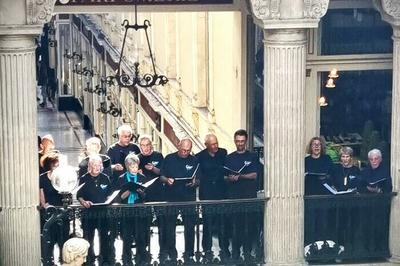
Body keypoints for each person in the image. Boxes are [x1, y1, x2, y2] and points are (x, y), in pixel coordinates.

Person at [160, 138, 199, 263]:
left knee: (190, 226)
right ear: (178, 146)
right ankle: (171, 251)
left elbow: (199, 179)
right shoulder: (169, 158)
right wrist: (167, 180)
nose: (185, 153)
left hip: (188, 197)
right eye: (183, 150)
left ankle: (189, 252)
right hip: (171, 197)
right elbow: (161, 176)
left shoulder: (194, 160)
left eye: (188, 150)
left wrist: (194, 183)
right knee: (170, 226)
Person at [224, 129, 259, 262]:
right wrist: (230, 178)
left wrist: (240, 176)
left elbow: (255, 175)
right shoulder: (229, 157)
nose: (240, 144)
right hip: (234, 196)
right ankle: (236, 253)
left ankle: (248, 252)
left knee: (249, 226)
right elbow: (225, 176)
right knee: (235, 226)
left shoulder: (252, 156)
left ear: (246, 141)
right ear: (235, 141)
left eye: (242, 141)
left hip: (249, 195)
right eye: (238, 141)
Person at [195, 133, 229, 262]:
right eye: (213, 144)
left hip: (221, 192)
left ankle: (224, 249)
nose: (215, 146)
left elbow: (226, 169)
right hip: (207, 194)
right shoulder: (199, 157)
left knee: (222, 223)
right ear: (206, 145)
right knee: (208, 223)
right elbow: (198, 174)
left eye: (216, 143)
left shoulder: (223, 153)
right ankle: (207, 250)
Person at [77, 155, 114, 265]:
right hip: (88, 213)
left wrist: (109, 199)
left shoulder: (105, 177)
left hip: (103, 212)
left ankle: (105, 259)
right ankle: (89, 259)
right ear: (89, 166)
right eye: (94, 165)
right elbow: (79, 195)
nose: (97, 167)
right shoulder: (84, 178)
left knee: (104, 236)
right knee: (88, 237)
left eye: (99, 165)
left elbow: (110, 194)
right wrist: (84, 202)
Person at [116, 153, 151, 266]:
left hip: (139, 210)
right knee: (127, 236)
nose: (134, 169)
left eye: (136, 166)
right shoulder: (121, 178)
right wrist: (130, 189)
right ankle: (127, 260)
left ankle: (141, 260)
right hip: (126, 211)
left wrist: (140, 191)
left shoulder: (142, 178)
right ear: (127, 166)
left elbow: (146, 196)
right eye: (132, 167)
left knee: (140, 236)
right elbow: (120, 197)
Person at [137, 135, 166, 261]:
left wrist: (153, 169)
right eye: (142, 145)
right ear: (140, 146)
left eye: (147, 145)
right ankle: (144, 253)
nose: (145, 148)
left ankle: (163, 251)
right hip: (144, 195)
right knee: (144, 224)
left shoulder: (158, 156)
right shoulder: (137, 158)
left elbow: (163, 172)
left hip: (158, 193)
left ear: (151, 145)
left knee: (162, 223)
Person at [358, 149, 392, 253]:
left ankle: (379, 250)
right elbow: (360, 186)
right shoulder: (365, 171)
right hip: (367, 204)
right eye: (371, 159)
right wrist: (367, 189)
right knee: (366, 227)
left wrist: (378, 190)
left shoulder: (385, 171)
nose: (374, 161)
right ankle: (366, 249)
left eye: (376, 159)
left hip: (380, 204)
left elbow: (389, 187)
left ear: (380, 159)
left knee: (379, 227)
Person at [39, 152, 69, 265]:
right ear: (49, 165)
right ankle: (49, 262)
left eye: (58, 164)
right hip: (49, 213)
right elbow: (41, 194)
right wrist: (44, 204)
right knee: (49, 241)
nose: (57, 167)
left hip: (62, 212)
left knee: (63, 239)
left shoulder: (63, 176)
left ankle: (64, 262)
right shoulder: (42, 178)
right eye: (55, 165)